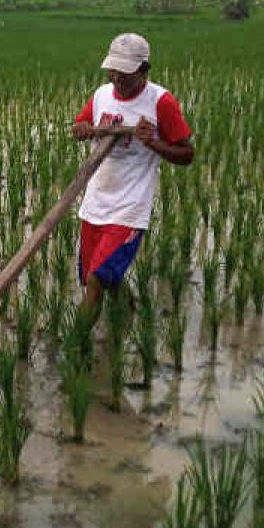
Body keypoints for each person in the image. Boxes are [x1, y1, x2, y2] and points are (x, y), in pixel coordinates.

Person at [71, 32, 194, 322]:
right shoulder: (101, 95)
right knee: (97, 275)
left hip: (129, 209)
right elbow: (82, 124)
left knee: (96, 281)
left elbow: (187, 154)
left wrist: (153, 142)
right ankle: (130, 318)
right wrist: (82, 129)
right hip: (95, 204)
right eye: (113, 70)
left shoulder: (160, 102)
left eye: (124, 72)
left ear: (143, 70)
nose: (117, 78)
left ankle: (75, 349)